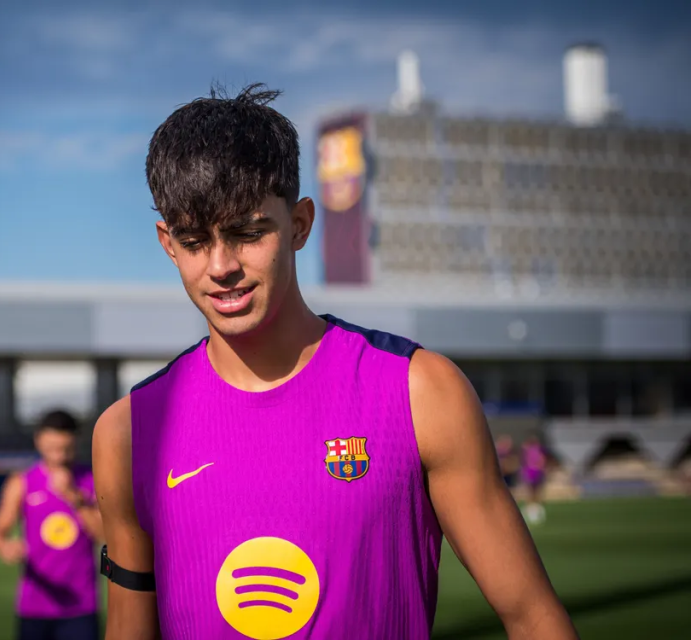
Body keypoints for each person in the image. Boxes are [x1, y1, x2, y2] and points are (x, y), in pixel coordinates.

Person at [92, 84, 578, 639]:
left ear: (299, 224)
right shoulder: (128, 433)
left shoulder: (419, 391)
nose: (221, 266)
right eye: (195, 240)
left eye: (248, 233)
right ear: (167, 243)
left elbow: (533, 617)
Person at [0, 409, 103, 640]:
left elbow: (104, 535)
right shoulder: (22, 483)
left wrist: (73, 496)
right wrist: (4, 547)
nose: (59, 456)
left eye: (66, 449)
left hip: (81, 604)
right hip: (34, 605)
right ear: (38, 441)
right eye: (52, 448)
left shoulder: (92, 480)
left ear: (76, 443)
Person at [521, 434, 549, 525]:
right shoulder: (529, 449)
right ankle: (531, 508)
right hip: (531, 471)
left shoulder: (537, 449)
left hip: (535, 471)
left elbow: (542, 460)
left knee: (535, 491)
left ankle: (535, 508)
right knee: (531, 491)